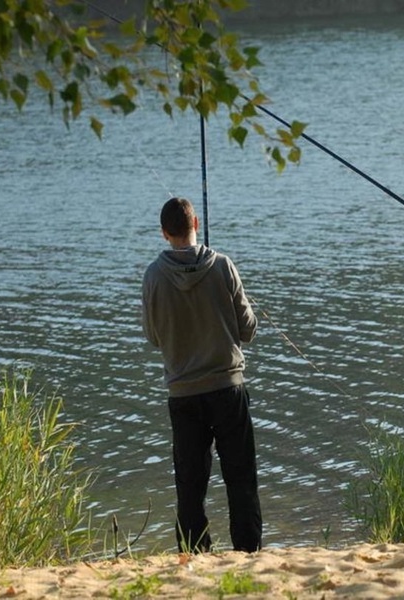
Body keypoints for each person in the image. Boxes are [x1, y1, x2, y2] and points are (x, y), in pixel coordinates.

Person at [142, 196, 262, 553]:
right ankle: (248, 551)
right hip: (228, 388)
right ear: (196, 225)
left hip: (183, 394)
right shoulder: (223, 266)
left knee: (190, 485)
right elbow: (248, 330)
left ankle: (195, 553)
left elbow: (153, 336)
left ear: (165, 233)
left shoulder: (153, 275)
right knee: (240, 478)